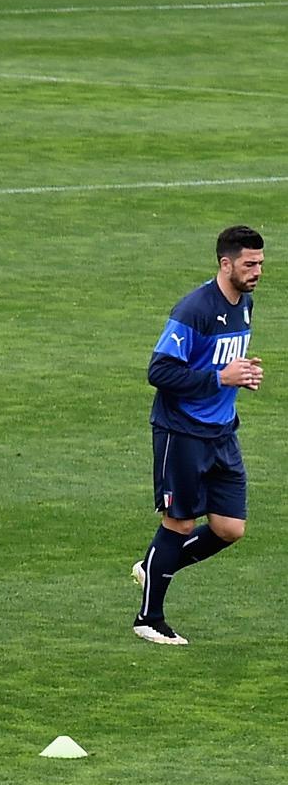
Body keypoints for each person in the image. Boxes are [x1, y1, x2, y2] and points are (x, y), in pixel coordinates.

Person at [134, 225, 262, 645]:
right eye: (249, 264)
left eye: (260, 263)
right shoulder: (195, 310)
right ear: (226, 264)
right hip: (183, 432)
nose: (257, 270)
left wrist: (240, 375)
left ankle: (153, 567)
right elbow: (160, 371)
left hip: (222, 433)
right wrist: (220, 376)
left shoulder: (244, 303)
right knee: (181, 522)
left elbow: (222, 365)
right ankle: (148, 618)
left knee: (229, 528)